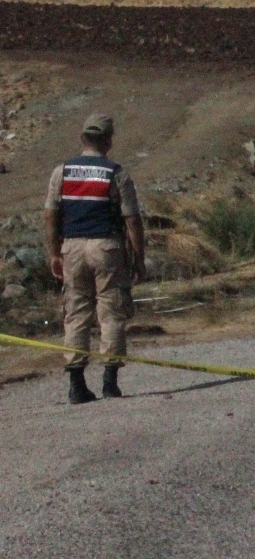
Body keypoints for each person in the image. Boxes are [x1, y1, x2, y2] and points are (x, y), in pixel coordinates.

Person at [42, 113, 145, 404]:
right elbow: (132, 219)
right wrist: (139, 258)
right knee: (111, 311)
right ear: (108, 140)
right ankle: (110, 382)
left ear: (82, 138)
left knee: (76, 313)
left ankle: (77, 384)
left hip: (72, 248)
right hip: (106, 248)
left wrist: (54, 253)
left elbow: (50, 215)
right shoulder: (116, 173)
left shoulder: (61, 171)